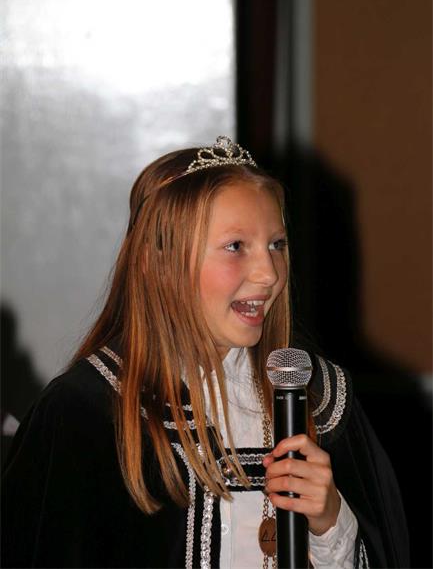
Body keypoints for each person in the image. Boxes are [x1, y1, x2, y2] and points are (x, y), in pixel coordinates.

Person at [1, 136, 409, 568]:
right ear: (159, 263)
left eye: (277, 244)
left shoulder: (320, 399)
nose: (269, 274)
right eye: (236, 247)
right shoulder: (87, 412)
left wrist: (330, 524)